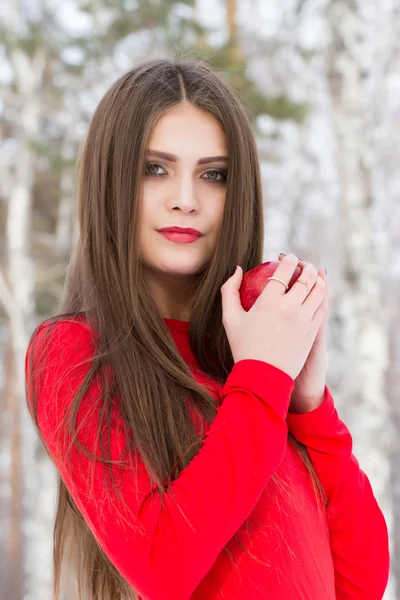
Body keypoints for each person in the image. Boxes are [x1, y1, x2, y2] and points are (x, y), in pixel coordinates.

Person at [25, 57, 389, 600]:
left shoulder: (249, 367)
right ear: (110, 179)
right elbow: (162, 566)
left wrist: (310, 405)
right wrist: (265, 378)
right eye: (155, 168)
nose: (186, 199)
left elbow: (360, 583)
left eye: (212, 174)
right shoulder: (72, 352)